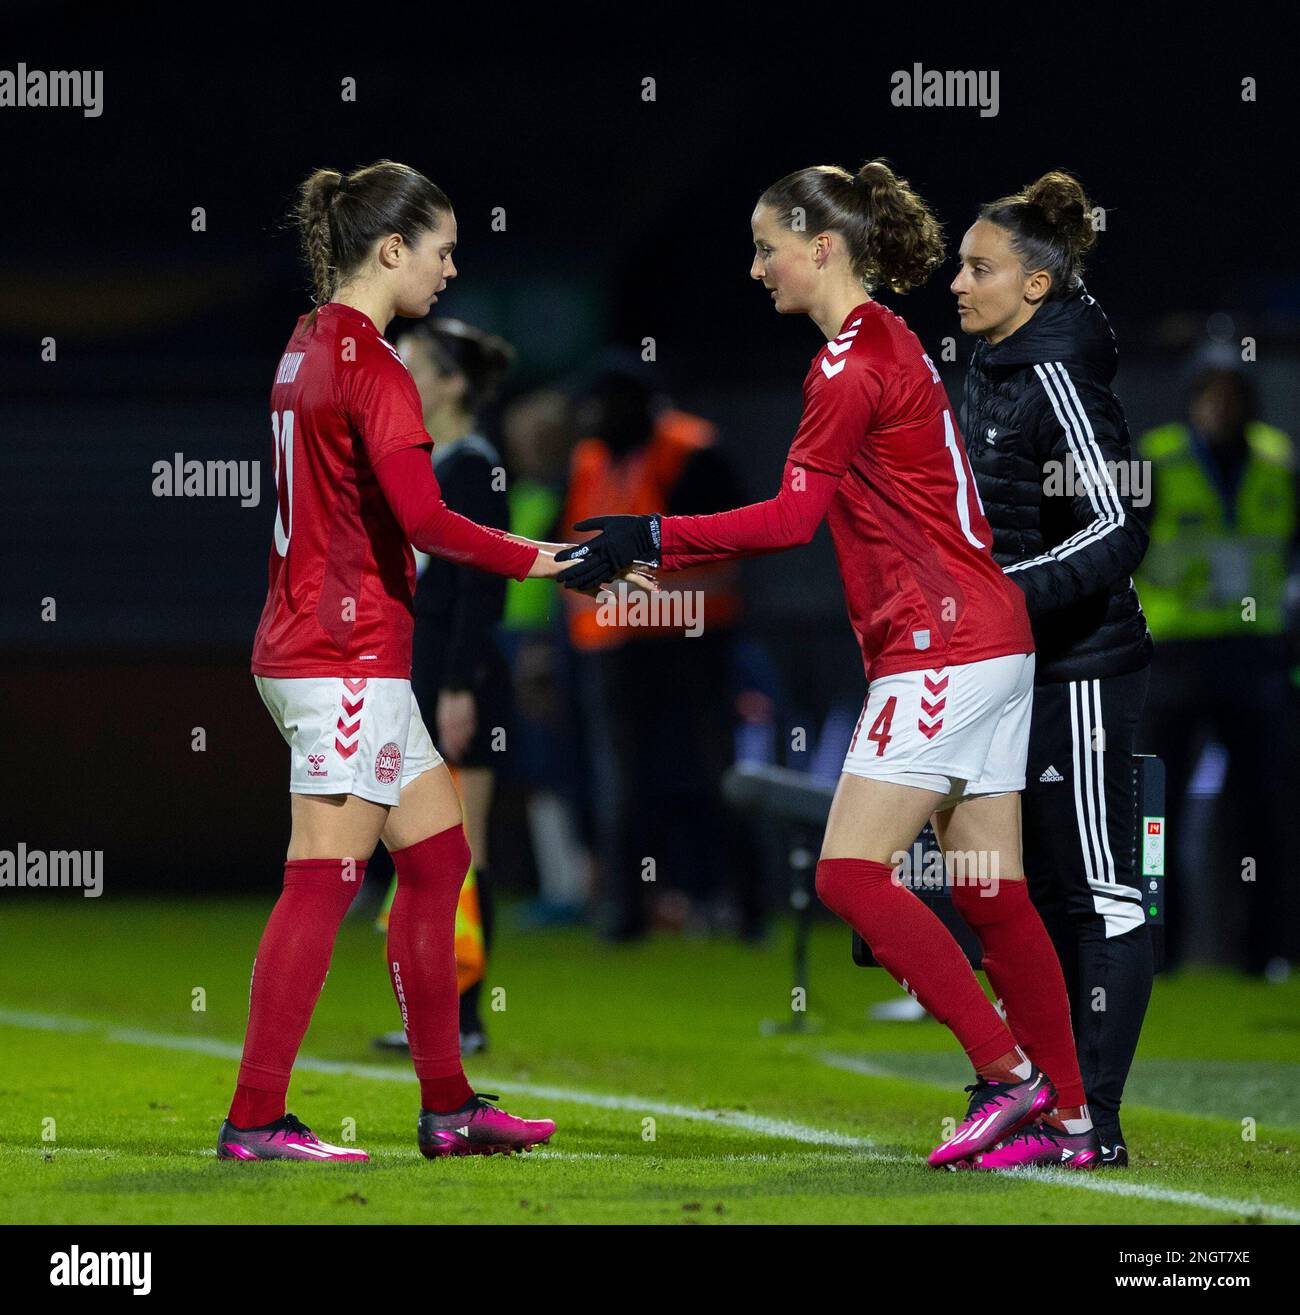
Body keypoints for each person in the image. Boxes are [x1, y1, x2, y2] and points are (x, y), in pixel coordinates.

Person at [557, 159, 1098, 1170]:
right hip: (988, 637)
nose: (757, 267)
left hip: (940, 641)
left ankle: (1007, 1077)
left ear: (823, 246)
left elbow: (789, 519)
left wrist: (648, 537)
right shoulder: (885, 342)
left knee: (850, 874)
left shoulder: (851, 362)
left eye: (768, 246)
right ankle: (1070, 1121)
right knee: (989, 891)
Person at [220, 159, 646, 1162]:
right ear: (393, 246)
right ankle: (254, 1116)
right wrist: (553, 559)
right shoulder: (372, 367)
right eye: (444, 248)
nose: (453, 268)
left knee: (440, 859)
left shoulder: (303, 346)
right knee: (321, 880)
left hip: (325, 647)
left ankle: (449, 1106)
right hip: (344, 655)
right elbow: (427, 519)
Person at [952, 170, 1154, 1167]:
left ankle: (1095, 1125)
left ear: (1035, 285)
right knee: (1007, 889)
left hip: (1078, 671)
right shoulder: (991, 370)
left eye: (978, 268)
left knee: (1103, 892)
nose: (956, 283)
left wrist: (998, 599)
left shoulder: (1061, 376)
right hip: (1006, 672)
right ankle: (1044, 1103)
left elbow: (1122, 528)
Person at [370, 318, 518, 1057]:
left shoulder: (473, 466)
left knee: (463, 850)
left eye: (418, 367)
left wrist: (460, 685)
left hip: (464, 681)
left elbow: (479, 590)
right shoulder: (431, 462)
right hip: (430, 673)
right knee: (432, 853)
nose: (404, 379)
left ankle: (463, 1017)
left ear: (454, 384)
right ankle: (445, 1012)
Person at [1134, 347, 1299, 974]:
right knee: (1155, 818)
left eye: (1233, 392)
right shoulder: (1157, 458)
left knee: (1263, 810)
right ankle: (1155, 951)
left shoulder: (1278, 462)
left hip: (1253, 660)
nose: (1221, 404)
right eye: (1211, 391)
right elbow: (1116, 548)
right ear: (1193, 395)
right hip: (1174, 658)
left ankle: (1263, 953)